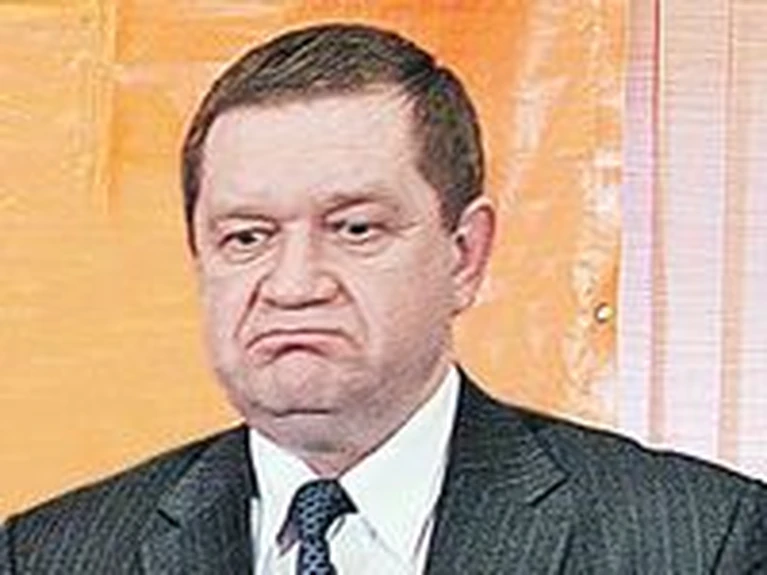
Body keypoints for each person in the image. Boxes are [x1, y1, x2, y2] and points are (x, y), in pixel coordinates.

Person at [2, 22, 765, 575]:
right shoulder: (49, 555)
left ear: (465, 253)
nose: (294, 284)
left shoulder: (698, 541)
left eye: (355, 228)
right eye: (247, 236)